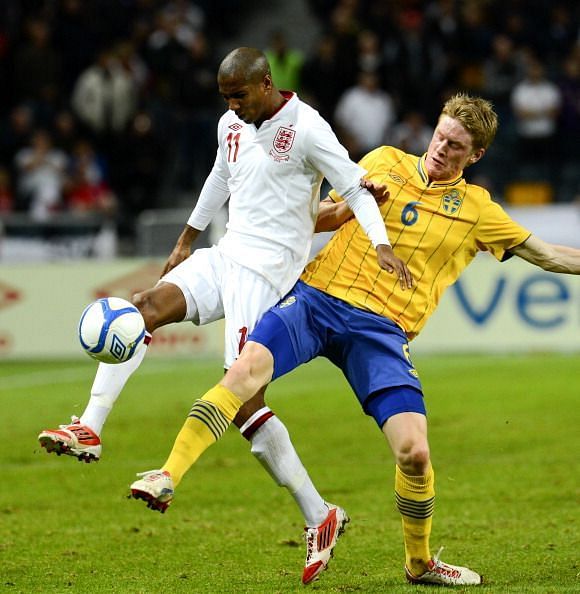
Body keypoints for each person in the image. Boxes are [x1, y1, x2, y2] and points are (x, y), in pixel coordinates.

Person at [129, 93, 580, 586]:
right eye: (439, 135)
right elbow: (314, 218)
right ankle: (167, 474)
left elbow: (548, 255)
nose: (440, 149)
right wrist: (347, 210)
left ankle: (420, 562)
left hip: (381, 332)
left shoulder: (477, 210)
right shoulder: (384, 161)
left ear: (476, 156)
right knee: (242, 374)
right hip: (316, 299)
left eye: (455, 147)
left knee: (415, 452)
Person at [38, 47, 411, 585]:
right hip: (225, 254)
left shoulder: (307, 128)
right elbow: (219, 177)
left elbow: (353, 188)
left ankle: (319, 513)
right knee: (141, 307)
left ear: (265, 83)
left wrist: (379, 244)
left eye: (239, 96)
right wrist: (187, 239)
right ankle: (90, 427)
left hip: (266, 276)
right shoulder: (230, 124)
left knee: (242, 402)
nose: (232, 107)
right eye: (225, 99)